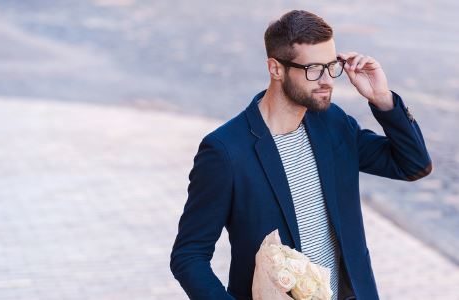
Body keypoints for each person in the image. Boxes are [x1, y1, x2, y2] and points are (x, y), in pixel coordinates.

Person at [170, 10, 432, 300]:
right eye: (313, 70)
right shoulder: (226, 151)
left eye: (331, 66)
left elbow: (413, 164)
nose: (327, 81)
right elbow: (189, 256)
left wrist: (383, 99)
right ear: (276, 68)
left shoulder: (333, 123)